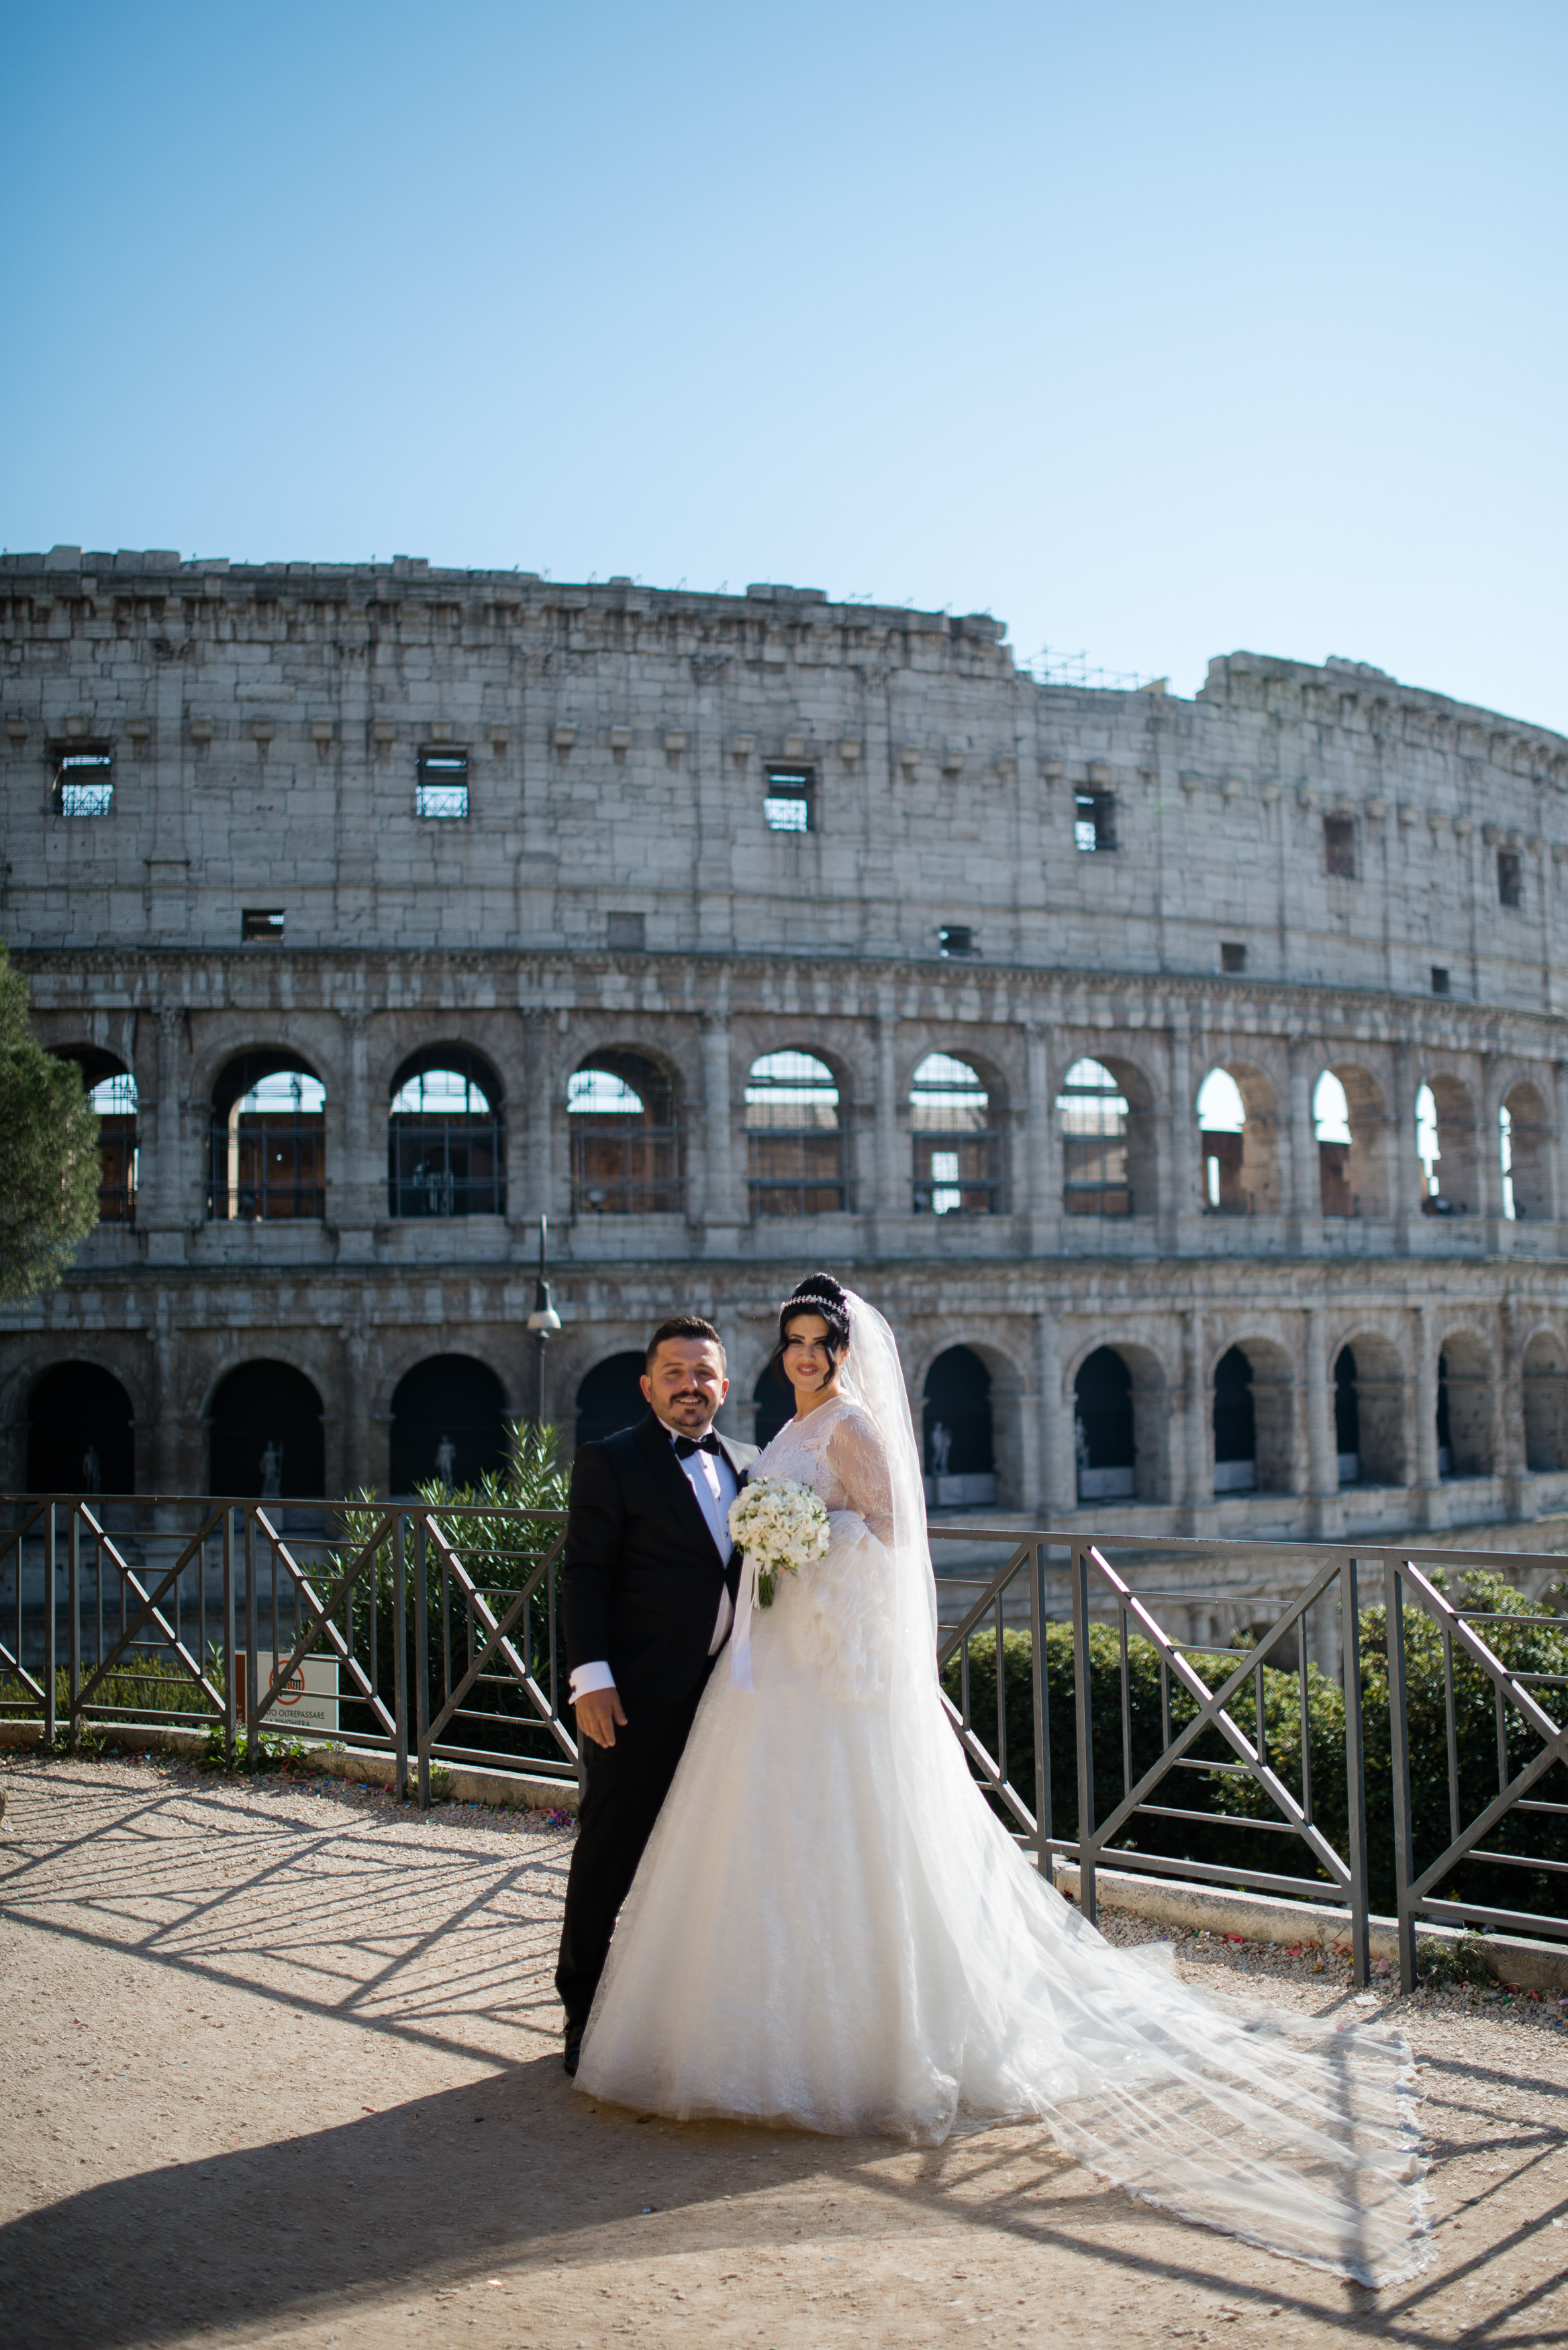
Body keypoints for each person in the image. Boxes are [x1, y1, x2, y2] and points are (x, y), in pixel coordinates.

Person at [574, 1274, 1432, 2289]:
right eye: (793, 1342)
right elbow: (612, 1569)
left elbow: (892, 1544)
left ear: (845, 1353)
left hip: (816, 1676)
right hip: (754, 1683)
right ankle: (622, 2021)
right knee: (726, 1855)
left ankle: (858, 2048)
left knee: (838, 1848)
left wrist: (807, 1540)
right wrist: (765, 1555)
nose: (804, 1355)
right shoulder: (764, 1439)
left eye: (819, 1342)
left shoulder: (840, 1429)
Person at [554, 1313, 758, 2075]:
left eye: (703, 1372)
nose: (689, 1385)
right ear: (647, 1385)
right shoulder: (609, 1460)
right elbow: (585, 1575)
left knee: (708, 1857)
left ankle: (681, 2016)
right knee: (610, 1852)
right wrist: (591, 1678)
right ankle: (581, 2012)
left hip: (728, 1698)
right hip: (635, 1694)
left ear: (725, 1385)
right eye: (674, 1372)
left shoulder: (750, 1464)